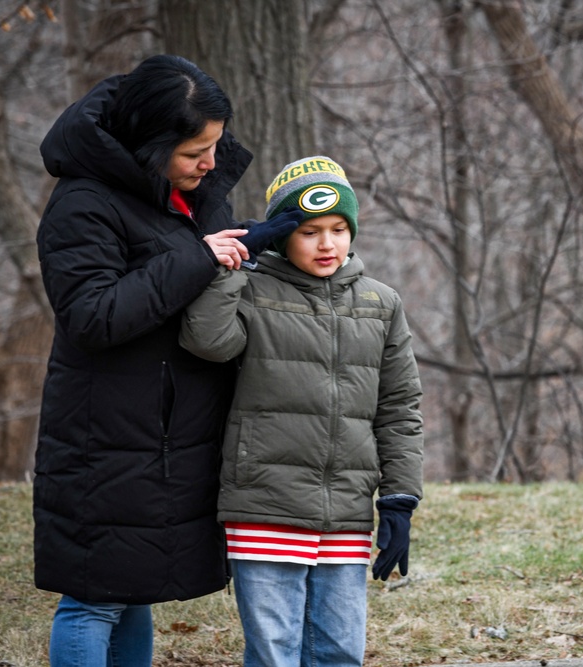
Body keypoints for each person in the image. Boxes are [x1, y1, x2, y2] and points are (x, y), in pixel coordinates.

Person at [33, 55, 302, 667]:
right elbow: (93, 316)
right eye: (193, 152)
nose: (209, 164)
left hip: (164, 433)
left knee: (132, 595)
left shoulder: (181, 192)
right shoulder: (82, 203)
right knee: (93, 599)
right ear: (147, 145)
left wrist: (252, 241)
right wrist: (203, 258)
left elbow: (188, 274)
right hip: (106, 433)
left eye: (215, 147)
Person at [179, 155, 425, 667]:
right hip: (264, 504)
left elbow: (400, 407)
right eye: (310, 230)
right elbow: (206, 340)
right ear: (283, 233)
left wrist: (400, 496)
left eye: (339, 229)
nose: (327, 243)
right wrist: (238, 259)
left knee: (339, 652)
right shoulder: (252, 289)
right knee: (274, 652)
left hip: (346, 510)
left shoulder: (381, 303)